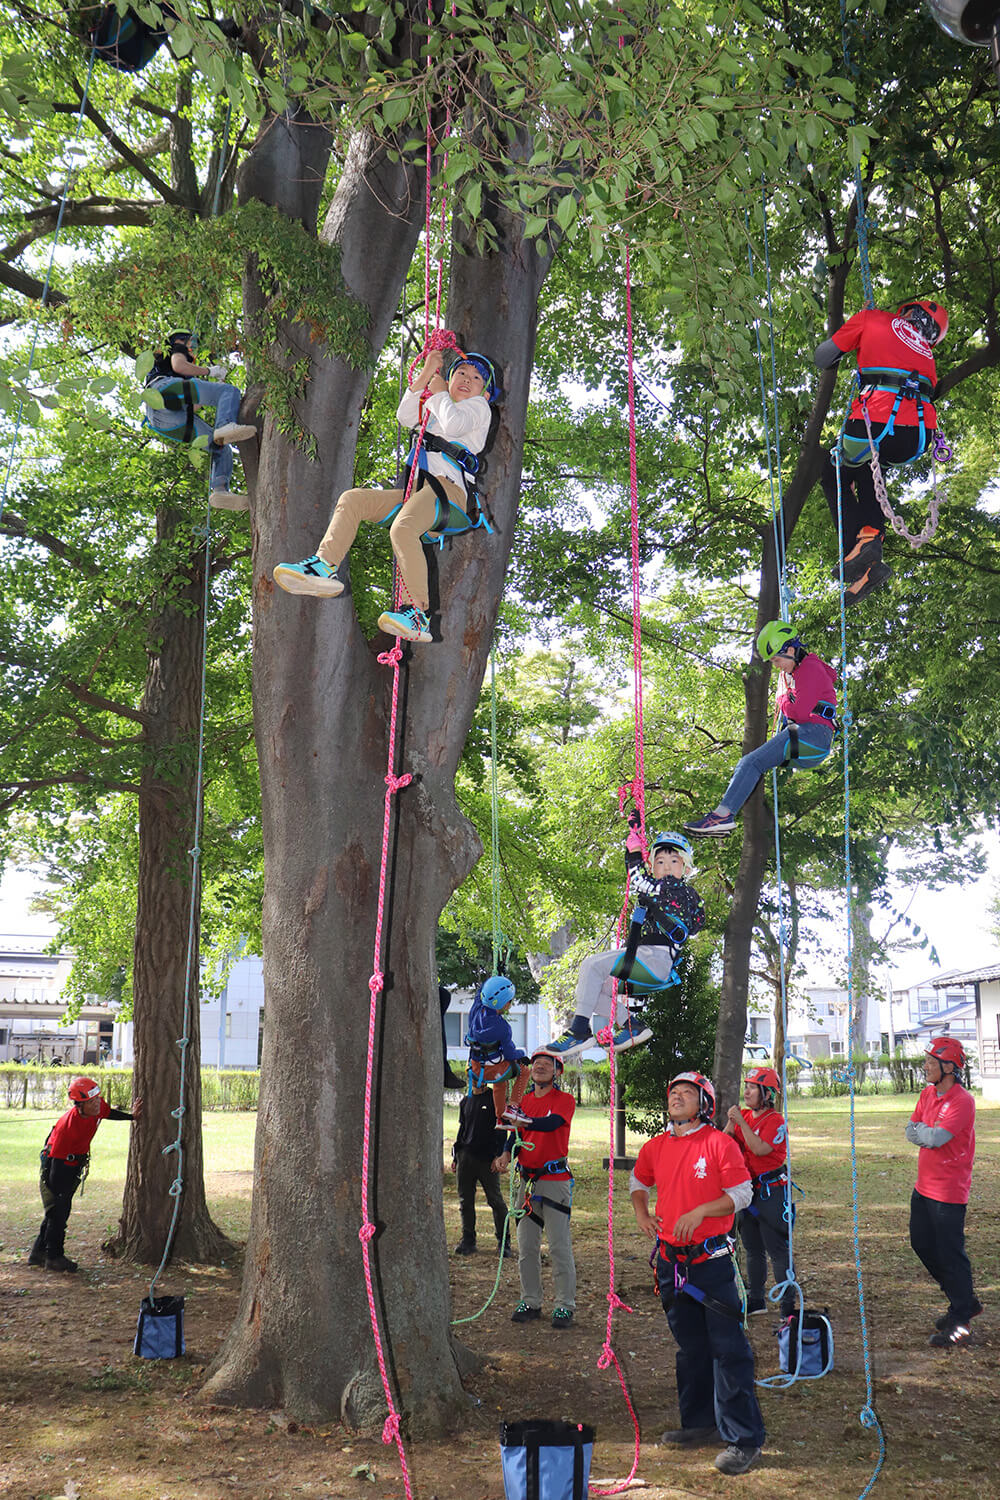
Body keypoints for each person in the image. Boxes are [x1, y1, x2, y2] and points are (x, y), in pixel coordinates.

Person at [272, 348, 499, 643]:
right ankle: (323, 565)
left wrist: (440, 390)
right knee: (353, 500)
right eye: (460, 373)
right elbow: (405, 416)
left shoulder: (478, 409)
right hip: (420, 494)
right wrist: (425, 376)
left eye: (476, 378)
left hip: (449, 494)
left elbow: (455, 424)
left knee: (403, 529)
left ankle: (418, 613)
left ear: (485, 391)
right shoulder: (436, 409)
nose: (467, 379)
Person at [630, 1070, 765, 1476]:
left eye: (687, 1093)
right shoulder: (656, 1146)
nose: (677, 1098)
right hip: (672, 1264)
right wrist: (642, 1212)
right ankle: (700, 1423)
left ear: (703, 1104)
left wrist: (702, 1211)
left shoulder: (719, 1144)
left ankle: (744, 1438)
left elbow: (742, 1194)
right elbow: (639, 1180)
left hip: (712, 1264)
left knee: (729, 1349)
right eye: (673, 1093)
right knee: (690, 1348)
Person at [814, 299, 947, 605]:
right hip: (915, 438)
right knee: (869, 469)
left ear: (907, 311)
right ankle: (868, 558)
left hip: (875, 421)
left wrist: (854, 335)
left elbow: (822, 357)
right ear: (932, 336)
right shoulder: (927, 356)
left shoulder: (872, 318)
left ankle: (862, 545)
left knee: (833, 471)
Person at [544, 826, 705, 1058]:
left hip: (656, 957)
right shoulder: (660, 891)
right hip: (647, 959)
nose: (667, 866)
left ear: (686, 868)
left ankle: (579, 1030)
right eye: (660, 862)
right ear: (653, 866)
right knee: (590, 987)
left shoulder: (679, 890)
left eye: (674, 861)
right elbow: (641, 880)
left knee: (590, 965)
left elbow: (638, 878)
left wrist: (634, 851)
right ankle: (631, 1025)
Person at [684, 619, 837, 837]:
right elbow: (812, 696)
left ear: (791, 650)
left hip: (812, 736)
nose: (776, 666)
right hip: (812, 740)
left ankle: (722, 816)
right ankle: (723, 816)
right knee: (754, 763)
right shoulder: (805, 670)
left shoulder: (809, 669)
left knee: (751, 762)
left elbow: (799, 713)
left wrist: (783, 698)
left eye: (777, 659)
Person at [905, 1036, 982, 1347]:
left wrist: (926, 1133)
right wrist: (926, 1133)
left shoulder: (963, 1101)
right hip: (923, 1187)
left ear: (949, 1067)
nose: (925, 1067)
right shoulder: (927, 1093)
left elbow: (936, 1138)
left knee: (951, 1254)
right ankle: (962, 1301)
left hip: (948, 1193)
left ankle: (961, 1319)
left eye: (931, 1063)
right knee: (922, 1244)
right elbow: (911, 1131)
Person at [496, 1049, 577, 1329]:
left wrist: (522, 1121)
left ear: (557, 1072)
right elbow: (515, 1134)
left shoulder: (564, 1101)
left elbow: (551, 1123)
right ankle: (530, 1300)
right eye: (536, 1064)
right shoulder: (524, 1101)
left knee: (558, 1246)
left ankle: (564, 1305)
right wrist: (507, 1154)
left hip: (554, 1182)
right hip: (527, 1182)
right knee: (527, 1246)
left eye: (547, 1064)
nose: (540, 1067)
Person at [28, 1076, 142, 1272]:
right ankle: (54, 1257)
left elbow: (108, 1113)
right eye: (91, 1102)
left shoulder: (97, 1109)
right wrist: (58, 1193)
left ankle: (37, 1254)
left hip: (73, 1164)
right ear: (80, 1105)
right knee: (58, 1212)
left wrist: (132, 1117)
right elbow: (55, 1164)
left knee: (56, 1212)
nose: (97, 1104)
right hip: (60, 1167)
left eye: (98, 1098)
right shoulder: (67, 1127)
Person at [142, 330, 256, 511]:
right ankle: (225, 425)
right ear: (181, 341)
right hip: (162, 390)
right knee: (230, 391)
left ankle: (219, 491)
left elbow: (193, 405)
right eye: (191, 343)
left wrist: (214, 389)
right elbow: (179, 366)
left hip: (163, 420)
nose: (192, 348)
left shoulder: (183, 379)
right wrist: (210, 371)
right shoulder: (176, 348)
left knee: (220, 447)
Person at [724, 1066, 795, 1317]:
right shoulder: (744, 1116)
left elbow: (760, 1149)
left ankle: (788, 1307)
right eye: (747, 1086)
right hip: (748, 1190)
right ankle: (756, 1299)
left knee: (777, 1249)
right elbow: (725, 1145)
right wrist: (732, 1126)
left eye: (753, 1087)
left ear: (766, 1094)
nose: (747, 1092)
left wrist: (741, 1122)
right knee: (752, 1248)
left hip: (771, 1193)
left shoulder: (775, 1121)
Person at [450, 1081, 513, 1258]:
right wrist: (456, 1156)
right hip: (466, 1156)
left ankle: (504, 1241)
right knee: (465, 1201)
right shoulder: (465, 1101)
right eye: (473, 1072)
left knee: (495, 1200)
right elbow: (463, 1128)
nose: (477, 1078)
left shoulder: (495, 1098)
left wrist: (498, 1155)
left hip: (487, 1159)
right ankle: (468, 1240)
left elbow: (502, 1129)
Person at [465, 975, 531, 1128]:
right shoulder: (502, 1027)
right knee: (524, 1071)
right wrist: (522, 1055)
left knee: (501, 1081)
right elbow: (510, 1053)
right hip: (493, 1069)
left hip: (476, 1067)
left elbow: (479, 995)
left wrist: (492, 980)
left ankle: (501, 1118)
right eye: (510, 1001)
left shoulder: (475, 1011)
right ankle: (514, 1106)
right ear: (504, 1004)